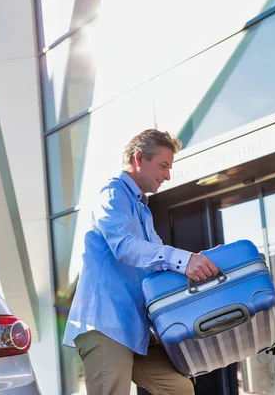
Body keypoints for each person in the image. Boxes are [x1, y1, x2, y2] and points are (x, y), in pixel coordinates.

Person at [63, 129, 218, 395]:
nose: (168, 175)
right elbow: (125, 247)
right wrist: (183, 260)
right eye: (163, 165)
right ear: (138, 158)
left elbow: (155, 262)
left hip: (136, 329)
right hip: (106, 325)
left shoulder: (142, 209)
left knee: (179, 388)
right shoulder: (112, 194)